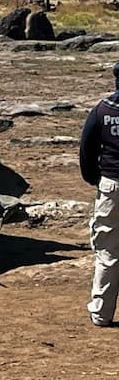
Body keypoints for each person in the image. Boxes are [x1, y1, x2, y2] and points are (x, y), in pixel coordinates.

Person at [79, 61, 119, 328]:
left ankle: (101, 312)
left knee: (107, 251)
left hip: (112, 185)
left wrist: (95, 178)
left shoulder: (104, 109)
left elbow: (86, 149)